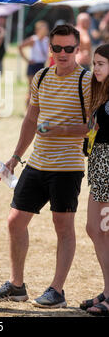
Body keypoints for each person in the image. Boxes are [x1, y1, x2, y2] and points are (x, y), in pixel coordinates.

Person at [0, 23, 91, 308]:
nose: (63, 53)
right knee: (15, 221)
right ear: (50, 48)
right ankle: (16, 285)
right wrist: (15, 156)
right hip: (36, 163)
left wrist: (59, 130)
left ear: (78, 49)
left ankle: (57, 291)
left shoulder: (87, 81)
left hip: (68, 167)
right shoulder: (41, 77)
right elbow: (31, 120)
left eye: (69, 48)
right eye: (57, 48)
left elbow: (92, 127)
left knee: (63, 226)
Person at [80, 43, 109, 316]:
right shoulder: (100, 93)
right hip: (99, 165)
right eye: (94, 63)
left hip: (108, 166)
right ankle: (107, 289)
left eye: (101, 63)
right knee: (94, 228)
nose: (95, 68)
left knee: (103, 230)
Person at [18, 20, 49, 106]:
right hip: (33, 65)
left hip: (41, 65)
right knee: (31, 89)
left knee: (41, 90)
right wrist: (27, 60)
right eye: (44, 29)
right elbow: (20, 46)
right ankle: (27, 109)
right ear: (38, 30)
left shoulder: (46, 40)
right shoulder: (33, 40)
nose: (46, 31)